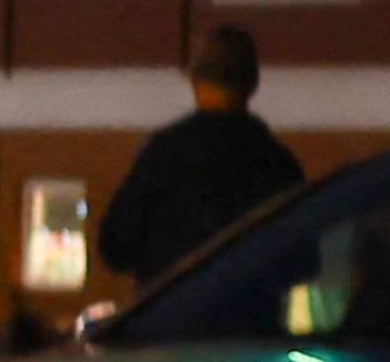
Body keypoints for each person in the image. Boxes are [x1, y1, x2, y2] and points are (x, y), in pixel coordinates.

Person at [96, 23, 304, 294]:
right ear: (252, 83)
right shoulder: (278, 163)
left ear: (196, 80)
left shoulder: (163, 154)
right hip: (249, 324)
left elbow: (115, 246)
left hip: (170, 324)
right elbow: (303, 258)